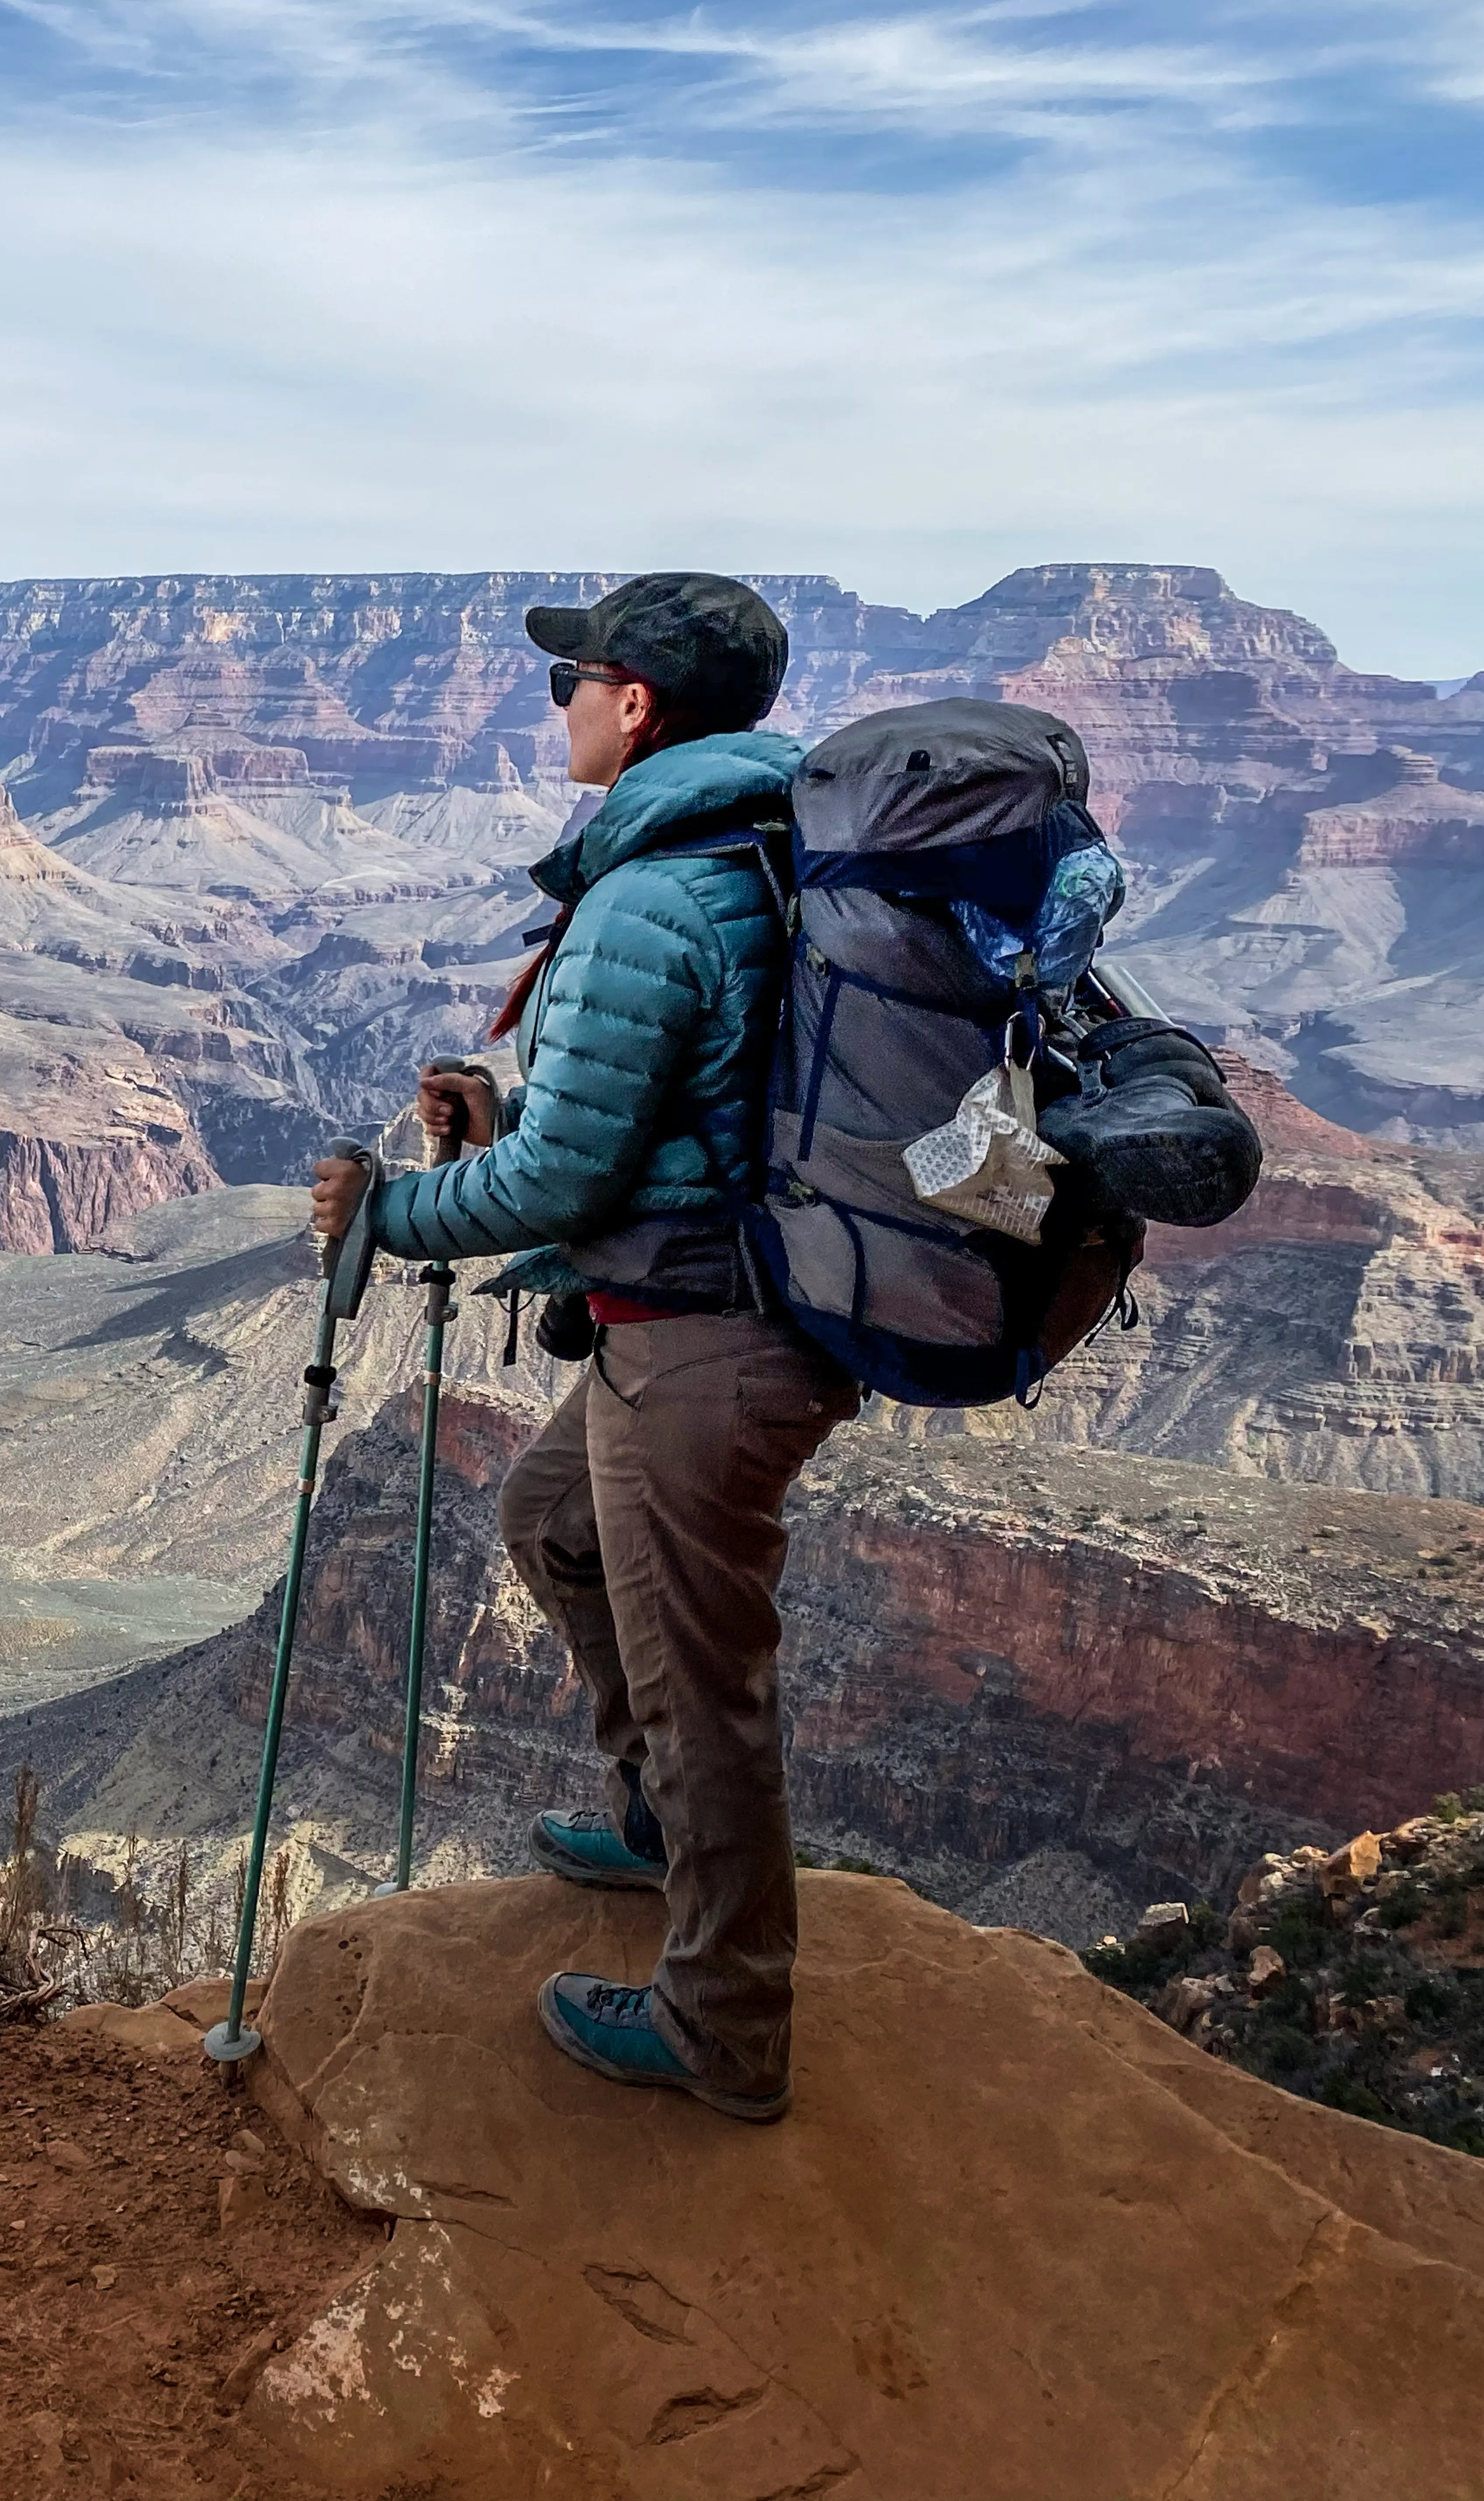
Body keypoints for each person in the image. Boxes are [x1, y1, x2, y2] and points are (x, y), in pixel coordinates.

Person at [308, 572, 855, 2123]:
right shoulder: (752, 850)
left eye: (576, 684)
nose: (555, 709)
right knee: (550, 1520)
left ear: (640, 707)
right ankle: (652, 1817)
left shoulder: (653, 893)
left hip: (707, 1343)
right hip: (706, 1311)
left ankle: (723, 2024)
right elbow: (660, 1125)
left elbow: (566, 1185)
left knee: (704, 1684)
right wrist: (503, 1123)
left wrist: (394, 1216)